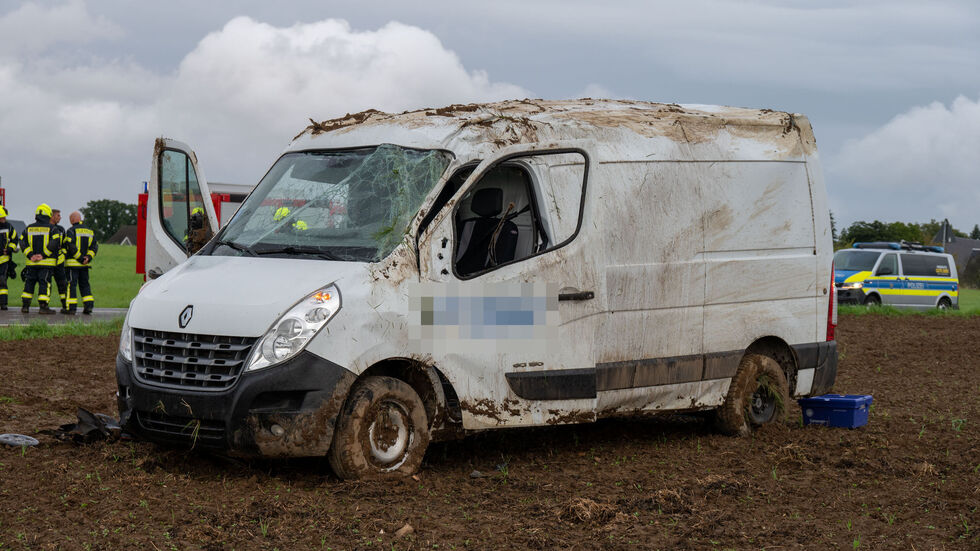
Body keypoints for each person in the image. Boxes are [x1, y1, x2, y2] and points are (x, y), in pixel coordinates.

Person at [20, 203, 61, 314]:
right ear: (48, 215)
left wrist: (30, 255)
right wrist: (43, 255)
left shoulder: (28, 228)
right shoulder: (53, 229)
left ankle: (25, 306)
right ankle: (43, 307)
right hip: (46, 263)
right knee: (45, 283)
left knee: (29, 283)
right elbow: (55, 242)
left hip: (31, 263)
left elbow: (22, 242)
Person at [65, 211, 98, 315]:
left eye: (70, 219)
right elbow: (94, 247)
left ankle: (71, 308)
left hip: (73, 264)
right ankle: (88, 306)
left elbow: (71, 246)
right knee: (85, 285)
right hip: (85, 265)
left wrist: (80, 258)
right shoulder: (90, 231)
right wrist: (88, 258)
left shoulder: (70, 231)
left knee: (72, 285)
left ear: (73, 220)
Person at [48, 208, 70, 313]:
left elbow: (65, 244)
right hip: (47, 261)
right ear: (51, 216)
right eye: (58, 215)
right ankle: (44, 305)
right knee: (46, 284)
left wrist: (64, 252)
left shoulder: (61, 229)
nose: (60, 217)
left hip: (59, 262)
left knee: (62, 284)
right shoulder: (46, 228)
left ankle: (65, 305)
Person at [0, 206, 19, 311]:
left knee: (3, 281)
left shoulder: (9, 227)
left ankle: (3, 304)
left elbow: (14, 239)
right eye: (2, 217)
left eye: (4, 217)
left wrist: (9, 249)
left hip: (4, 260)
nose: (4, 219)